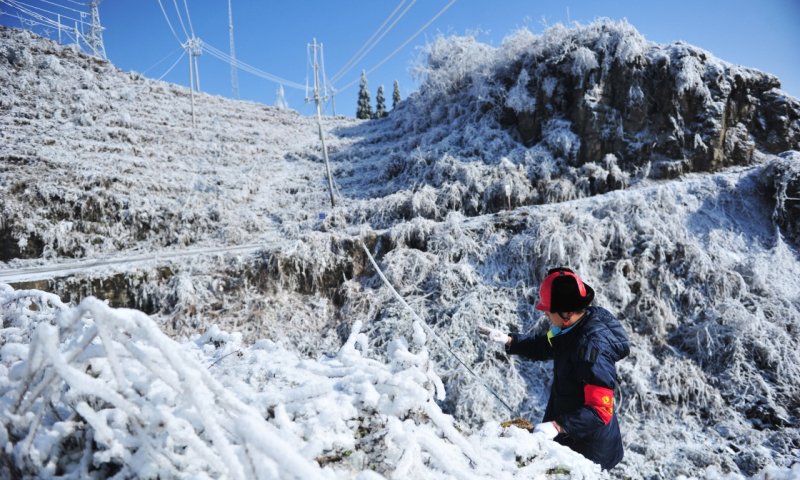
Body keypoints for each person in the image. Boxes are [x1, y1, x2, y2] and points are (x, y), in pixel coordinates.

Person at [479, 267, 630, 470]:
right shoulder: (569, 329)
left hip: (589, 450)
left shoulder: (592, 349)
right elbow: (545, 345)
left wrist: (558, 426)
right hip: (568, 434)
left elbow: (600, 410)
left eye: (549, 310)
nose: (546, 314)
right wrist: (510, 340)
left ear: (567, 312)